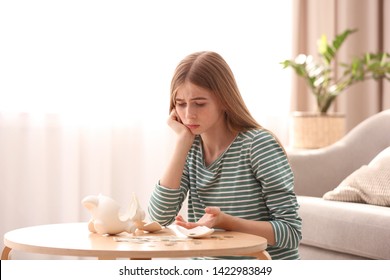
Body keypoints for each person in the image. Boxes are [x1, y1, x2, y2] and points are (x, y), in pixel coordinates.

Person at [148, 51, 302, 259]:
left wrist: (226, 222)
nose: (188, 114)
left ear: (224, 100)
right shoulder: (190, 148)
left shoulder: (258, 145)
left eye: (199, 103)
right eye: (181, 104)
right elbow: (158, 218)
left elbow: (291, 233)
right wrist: (181, 144)